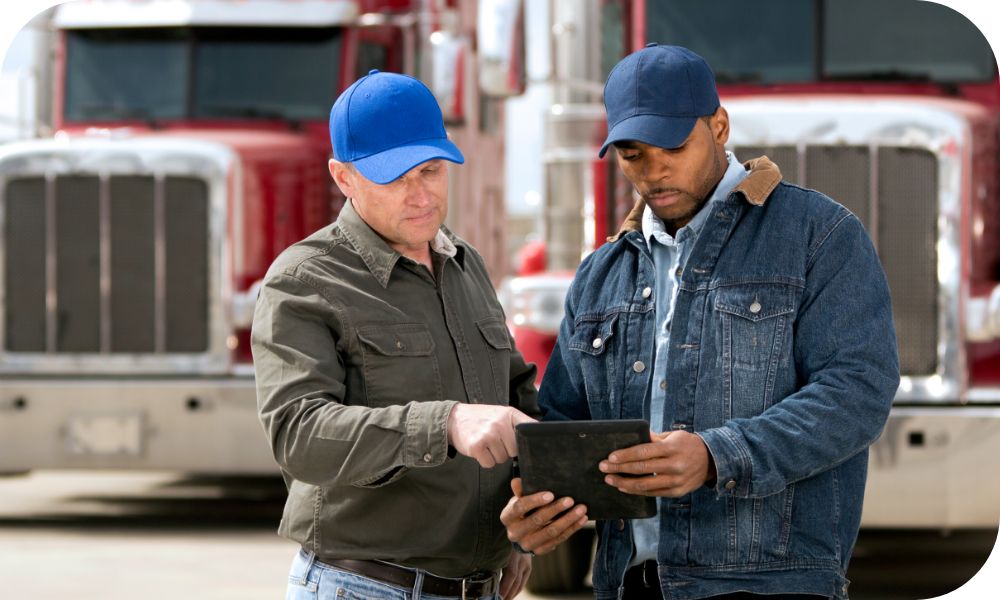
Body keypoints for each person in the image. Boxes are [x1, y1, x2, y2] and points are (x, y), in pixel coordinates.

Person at [501, 44, 900, 600]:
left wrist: (716, 457)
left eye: (673, 145)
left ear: (719, 125)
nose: (655, 170)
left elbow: (858, 391)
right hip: (630, 584)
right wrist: (530, 514)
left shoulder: (819, 235)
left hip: (771, 584)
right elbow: (565, 426)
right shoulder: (600, 274)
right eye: (633, 154)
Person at [252, 69, 539, 600]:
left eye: (431, 171)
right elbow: (298, 433)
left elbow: (516, 399)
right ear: (343, 177)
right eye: (393, 178)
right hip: (361, 586)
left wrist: (517, 537)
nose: (419, 195)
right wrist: (445, 422)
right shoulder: (304, 279)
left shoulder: (465, 264)